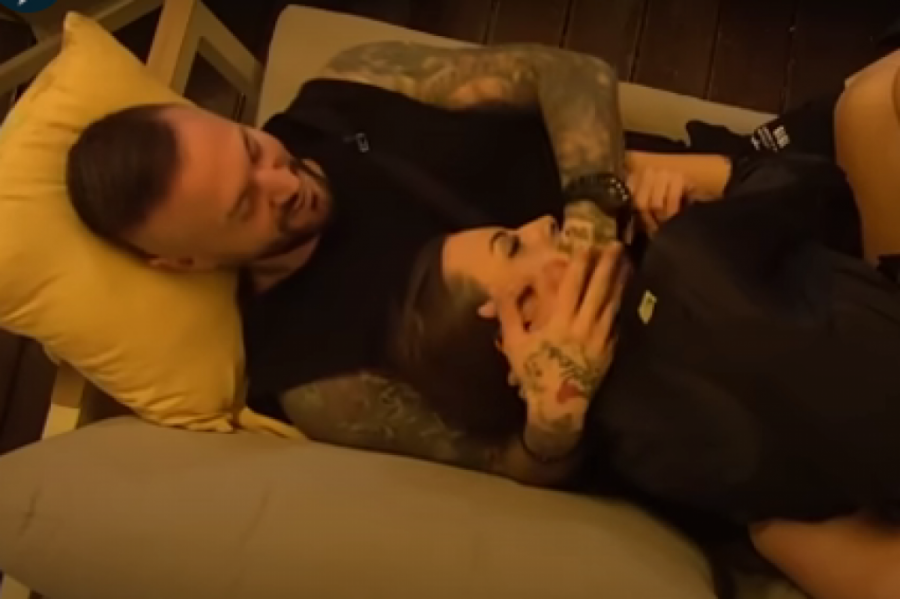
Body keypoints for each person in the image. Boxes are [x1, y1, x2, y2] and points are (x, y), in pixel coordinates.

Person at [66, 41, 638, 486]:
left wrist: (591, 228)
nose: (283, 182)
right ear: (187, 261)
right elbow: (511, 466)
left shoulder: (349, 87)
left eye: (252, 149)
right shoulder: (322, 382)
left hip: (664, 200)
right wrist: (554, 420)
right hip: (654, 380)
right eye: (245, 206)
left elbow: (573, 73)